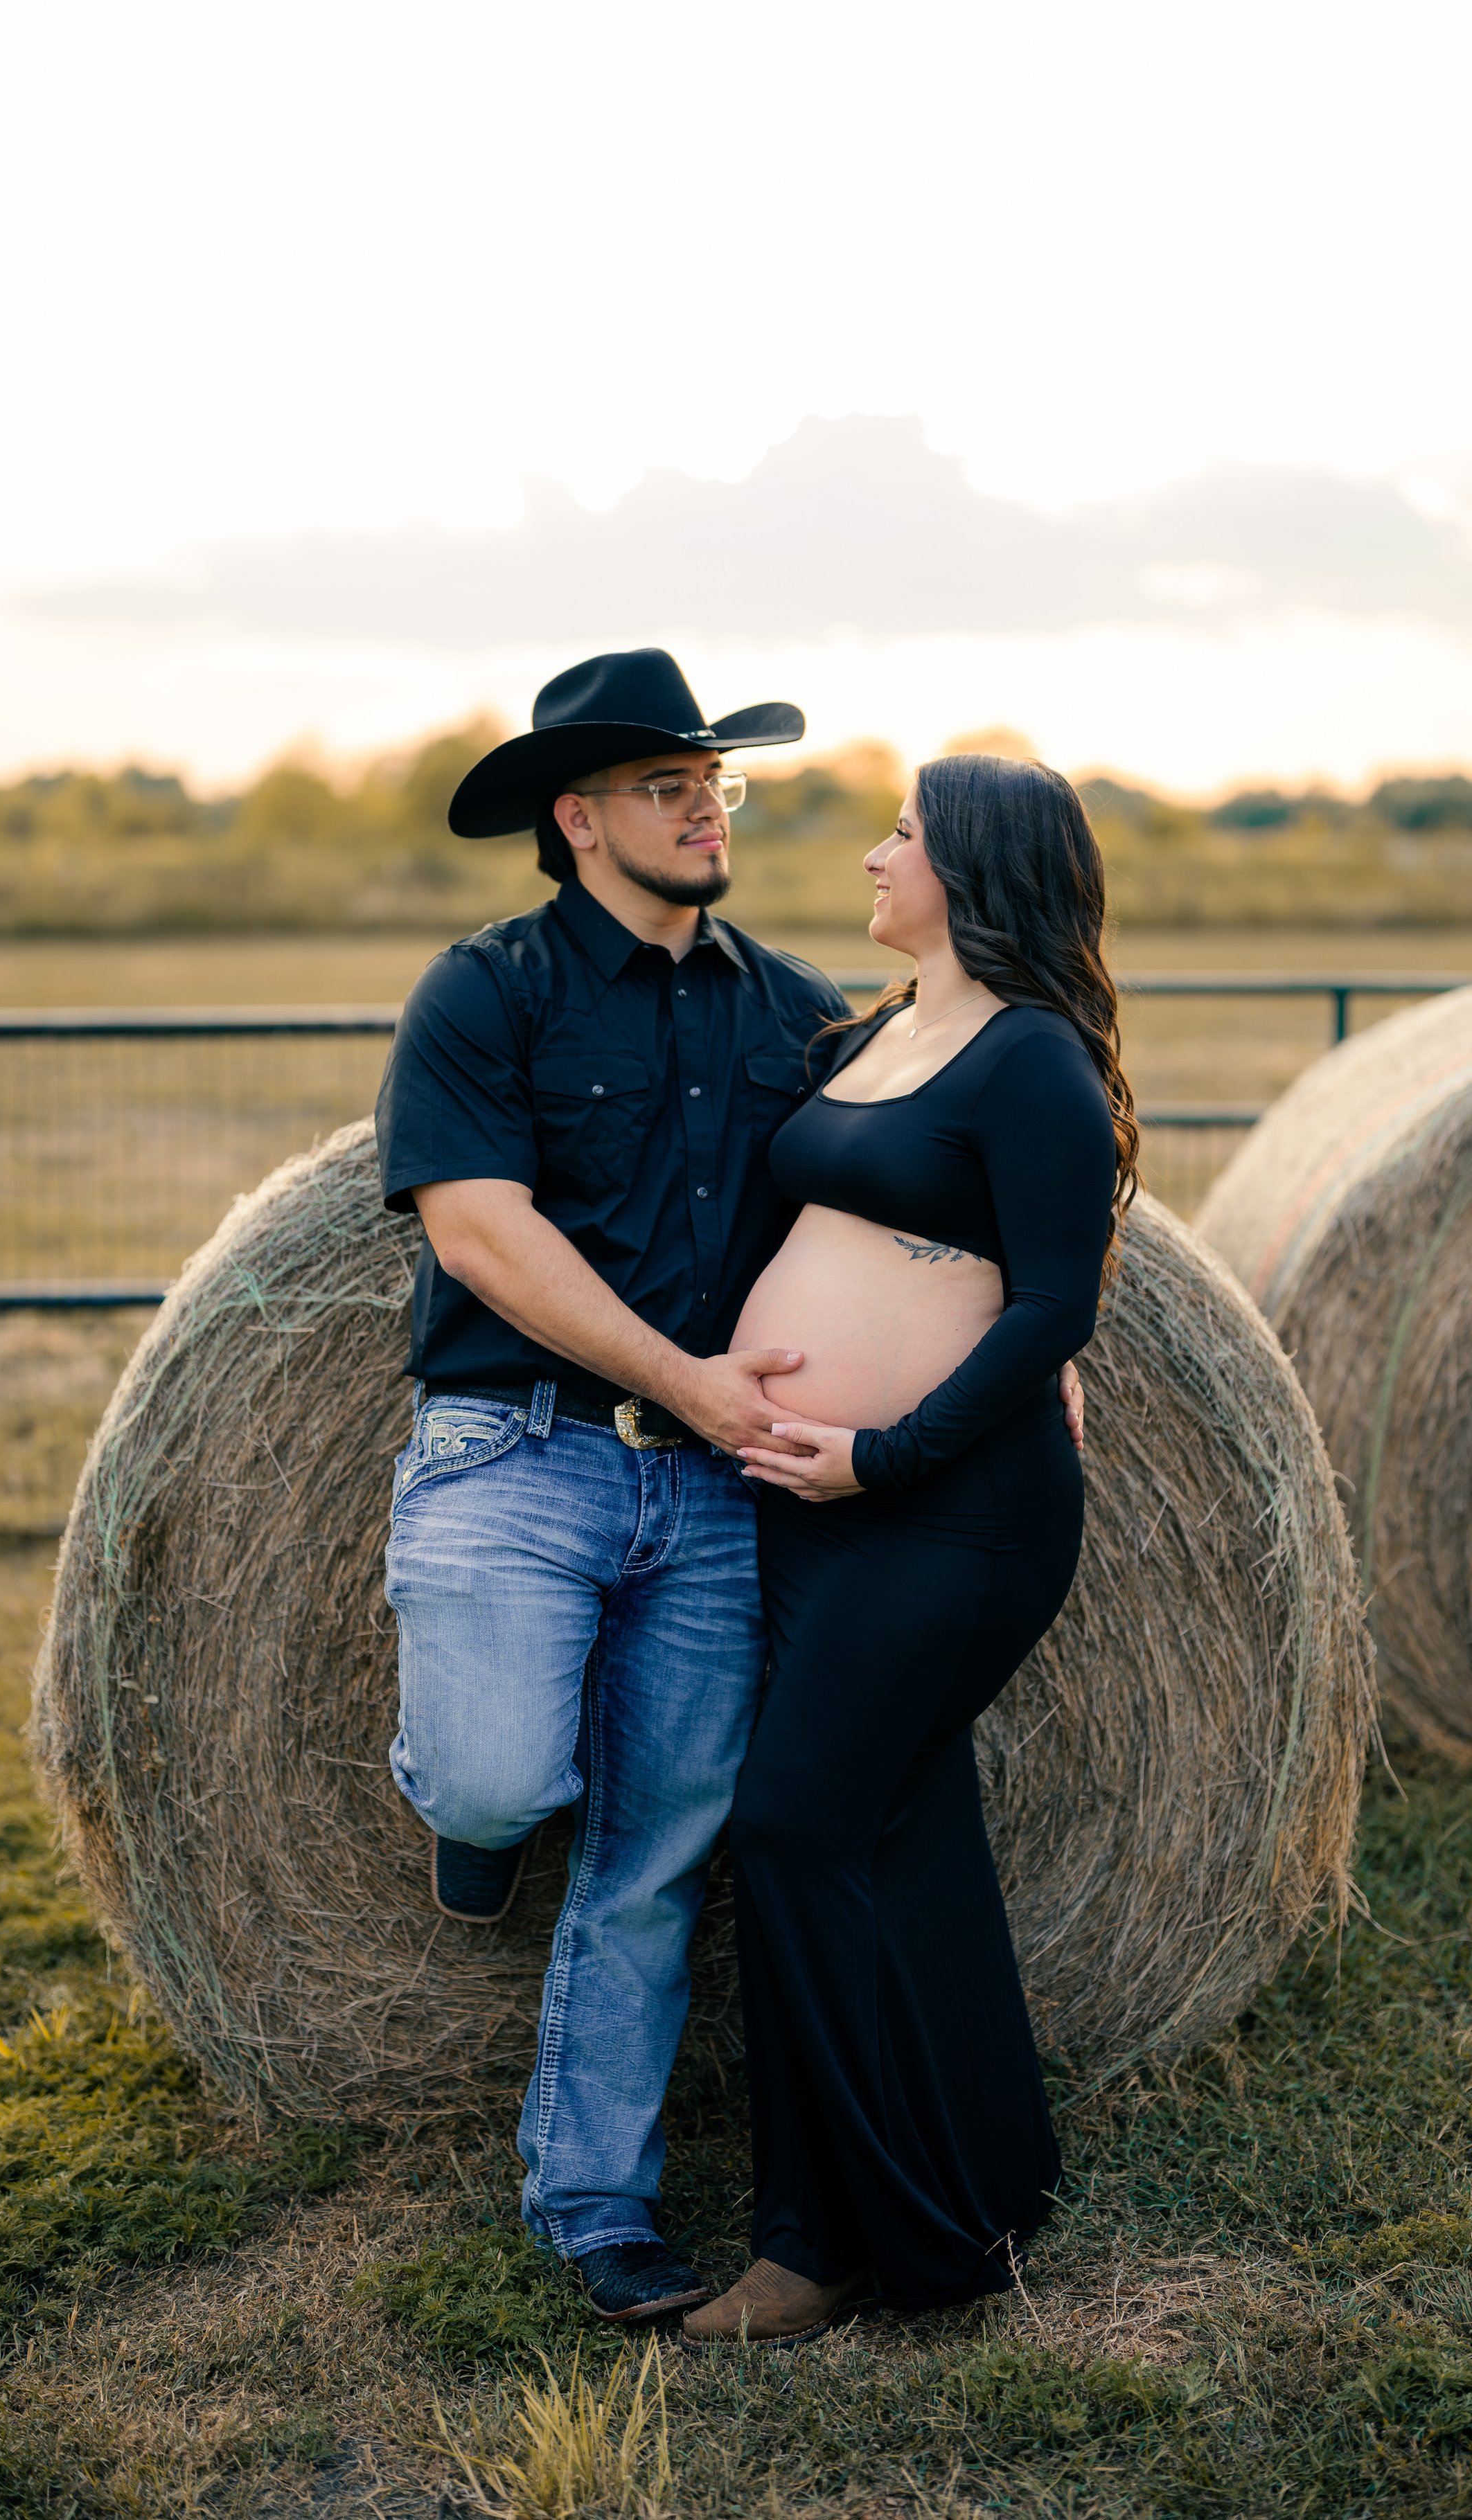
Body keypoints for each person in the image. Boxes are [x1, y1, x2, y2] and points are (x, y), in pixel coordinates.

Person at [375, 654, 1085, 2326]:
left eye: (717, 779)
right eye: (663, 784)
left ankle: (600, 2203)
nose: (707, 804)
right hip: (522, 1451)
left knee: (662, 1857)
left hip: (719, 1498)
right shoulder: (486, 994)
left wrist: (1025, 1331)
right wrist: (685, 1378)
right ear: (577, 819)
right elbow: (477, 1230)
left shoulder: (792, 1014)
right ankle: (462, 1816)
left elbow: (949, 1177)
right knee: (497, 1780)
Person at [680, 751, 1139, 2347]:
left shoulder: (1029, 1066)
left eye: (901, 834)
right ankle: (985, 2179)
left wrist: (880, 1453)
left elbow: (1051, 1309)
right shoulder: (875, 1036)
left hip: (949, 1518)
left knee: (796, 1827)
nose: (872, 854)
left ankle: (847, 2239)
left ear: (972, 873)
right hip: (816, 1521)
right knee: (898, 1833)